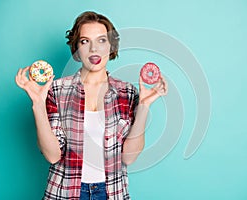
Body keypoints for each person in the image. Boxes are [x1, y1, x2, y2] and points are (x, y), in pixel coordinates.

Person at [15, 11, 168, 200]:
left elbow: (129, 158)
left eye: (102, 40)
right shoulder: (57, 90)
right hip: (64, 192)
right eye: (85, 41)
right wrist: (38, 104)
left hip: (111, 192)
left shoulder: (127, 93)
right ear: (77, 50)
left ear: (111, 46)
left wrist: (144, 105)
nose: (94, 49)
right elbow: (53, 155)